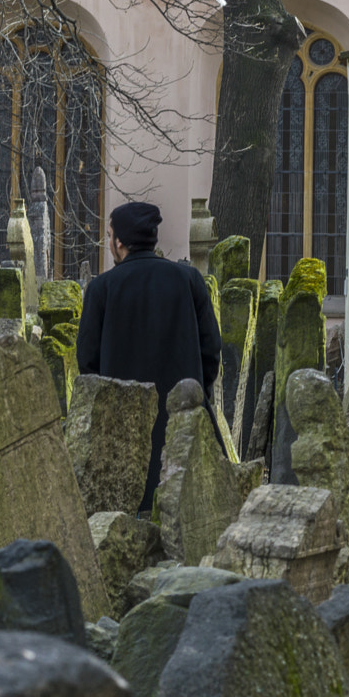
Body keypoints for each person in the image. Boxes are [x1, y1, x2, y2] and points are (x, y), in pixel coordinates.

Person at [76, 200, 221, 510]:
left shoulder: (102, 289)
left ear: (118, 242)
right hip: (181, 423)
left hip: (123, 436)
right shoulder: (188, 280)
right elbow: (211, 351)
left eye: (110, 234)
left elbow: (87, 366)